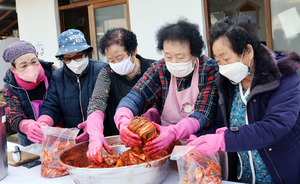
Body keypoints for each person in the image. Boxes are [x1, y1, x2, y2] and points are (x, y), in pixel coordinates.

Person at [187, 15, 300, 184]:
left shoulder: (283, 76)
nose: (223, 66)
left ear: (248, 51)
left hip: (281, 178)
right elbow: (220, 122)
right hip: (244, 180)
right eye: (218, 61)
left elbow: (275, 125)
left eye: (226, 59)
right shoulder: (227, 82)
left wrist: (222, 140)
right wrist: (201, 139)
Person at [114, 19, 219, 157]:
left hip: (200, 146)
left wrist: (173, 132)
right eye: (168, 56)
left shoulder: (208, 68)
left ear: (194, 54)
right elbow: (136, 95)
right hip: (164, 145)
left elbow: (204, 114)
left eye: (180, 57)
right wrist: (123, 120)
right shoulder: (160, 68)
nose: (174, 62)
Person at [75, 28, 156, 164]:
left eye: (120, 58)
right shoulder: (107, 73)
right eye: (111, 60)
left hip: (151, 141)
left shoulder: (153, 69)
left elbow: (160, 103)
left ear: (134, 51)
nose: (116, 63)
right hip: (118, 140)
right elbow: (97, 102)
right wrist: (95, 131)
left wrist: (146, 121)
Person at [25, 29, 106, 138]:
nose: (74, 62)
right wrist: (44, 121)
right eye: (68, 58)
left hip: (103, 134)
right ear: (62, 58)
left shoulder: (102, 70)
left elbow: (111, 102)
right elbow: (51, 105)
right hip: (74, 137)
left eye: (78, 56)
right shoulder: (58, 76)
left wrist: (95, 121)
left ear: (86, 53)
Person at [2, 40, 56, 146]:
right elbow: (14, 116)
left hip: (59, 134)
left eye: (34, 62)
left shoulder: (54, 74)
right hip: (31, 142)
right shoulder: (9, 89)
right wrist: (26, 126)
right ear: (13, 69)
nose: (31, 68)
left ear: (37, 56)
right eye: (23, 66)